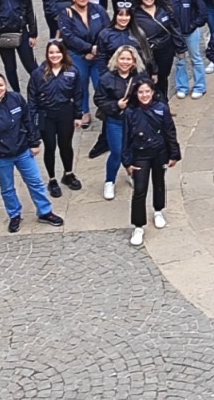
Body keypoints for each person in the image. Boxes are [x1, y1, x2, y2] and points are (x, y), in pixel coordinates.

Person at [0, 73, 65, 232]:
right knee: (7, 187)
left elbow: (28, 120)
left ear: (5, 85)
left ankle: (45, 212)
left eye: (0, 85)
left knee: (36, 182)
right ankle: (14, 215)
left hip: (22, 151)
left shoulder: (16, 99)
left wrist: (34, 142)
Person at [122, 79, 181, 247]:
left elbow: (170, 131)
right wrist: (126, 161)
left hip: (159, 152)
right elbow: (125, 138)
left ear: (153, 92)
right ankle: (138, 226)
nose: (144, 95)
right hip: (140, 154)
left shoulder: (161, 108)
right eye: (141, 92)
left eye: (147, 91)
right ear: (136, 93)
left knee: (159, 182)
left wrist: (174, 153)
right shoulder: (130, 112)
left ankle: (158, 210)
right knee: (139, 189)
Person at [28, 40, 88, 197]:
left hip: (65, 113)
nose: (54, 55)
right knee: (50, 147)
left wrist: (78, 115)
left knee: (66, 145)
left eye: (57, 52)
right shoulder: (38, 74)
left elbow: (78, 94)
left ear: (63, 53)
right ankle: (52, 179)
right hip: (45, 115)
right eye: (51, 53)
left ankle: (68, 174)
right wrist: (33, 122)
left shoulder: (72, 71)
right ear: (47, 54)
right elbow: (32, 99)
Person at [92, 44, 145, 200]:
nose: (125, 62)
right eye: (122, 58)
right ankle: (109, 181)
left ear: (134, 61)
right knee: (117, 152)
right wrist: (116, 105)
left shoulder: (140, 78)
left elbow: (149, 95)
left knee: (135, 150)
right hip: (115, 120)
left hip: (135, 121)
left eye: (129, 59)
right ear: (116, 60)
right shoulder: (106, 78)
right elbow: (99, 99)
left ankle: (131, 174)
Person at [57, 0, 108, 119]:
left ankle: (104, 109)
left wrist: (96, 48)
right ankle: (84, 112)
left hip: (99, 54)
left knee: (101, 83)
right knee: (81, 84)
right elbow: (69, 37)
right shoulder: (66, 13)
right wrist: (88, 48)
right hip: (77, 55)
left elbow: (107, 30)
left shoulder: (99, 10)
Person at [165, 0, 207, 99]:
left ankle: (199, 86)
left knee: (196, 59)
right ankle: (182, 87)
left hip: (191, 33)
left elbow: (203, 13)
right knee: (180, 60)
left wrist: (193, 25)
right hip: (175, 34)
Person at [132, 0, 177, 98]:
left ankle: (163, 103)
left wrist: (179, 46)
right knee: (147, 79)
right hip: (146, 52)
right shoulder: (134, 13)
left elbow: (173, 27)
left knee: (163, 78)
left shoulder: (164, 9)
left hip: (165, 50)